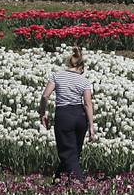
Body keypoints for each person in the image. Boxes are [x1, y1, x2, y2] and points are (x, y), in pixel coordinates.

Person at [39, 47, 96, 180]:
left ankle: (80, 183)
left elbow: (45, 96)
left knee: (67, 153)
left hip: (64, 115)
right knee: (73, 153)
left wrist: (43, 113)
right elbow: (88, 104)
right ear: (81, 67)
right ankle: (58, 181)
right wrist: (91, 126)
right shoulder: (84, 81)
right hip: (80, 116)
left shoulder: (56, 76)